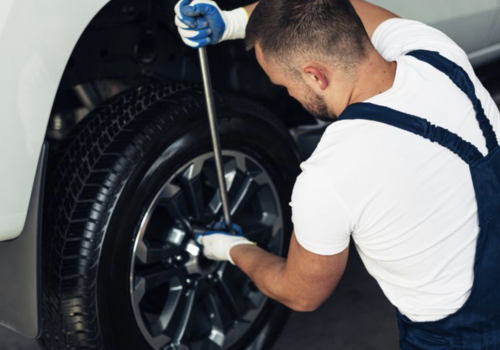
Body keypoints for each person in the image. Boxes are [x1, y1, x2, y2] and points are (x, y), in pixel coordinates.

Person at [174, 0, 500, 348]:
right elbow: (350, 8)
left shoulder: (330, 173)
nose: (290, 96)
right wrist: (233, 21)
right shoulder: (433, 51)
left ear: (315, 75)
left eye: (285, 86)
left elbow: (301, 294)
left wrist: (232, 248)